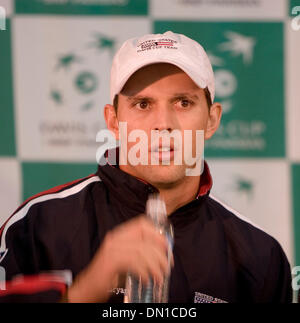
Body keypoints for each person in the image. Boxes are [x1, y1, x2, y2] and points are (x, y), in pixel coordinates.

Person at [0, 31, 292, 303]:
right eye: (142, 104)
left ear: (212, 120)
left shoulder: (261, 255)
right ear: (113, 121)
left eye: (183, 102)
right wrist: (85, 289)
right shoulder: (35, 226)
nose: (163, 123)